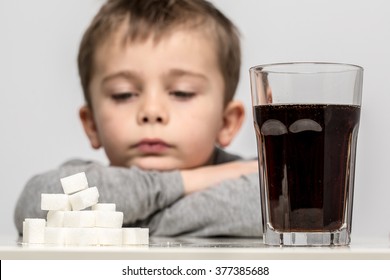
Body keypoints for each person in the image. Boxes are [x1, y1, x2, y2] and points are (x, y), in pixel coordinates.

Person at [14, 0, 262, 237]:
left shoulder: (259, 181)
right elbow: (35, 203)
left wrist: (111, 219)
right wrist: (188, 181)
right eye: (124, 94)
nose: (151, 111)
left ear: (227, 122)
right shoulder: (84, 179)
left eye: (181, 92)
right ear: (91, 125)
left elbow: (273, 210)